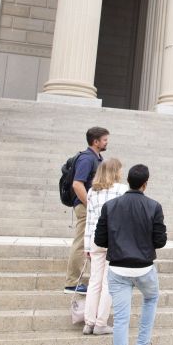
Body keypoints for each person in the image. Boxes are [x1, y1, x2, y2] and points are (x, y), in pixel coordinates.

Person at [93, 164, 167, 345]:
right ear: (145, 184)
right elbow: (160, 241)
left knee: (121, 321)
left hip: (118, 268)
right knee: (151, 298)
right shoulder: (154, 206)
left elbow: (100, 240)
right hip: (144, 268)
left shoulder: (110, 206)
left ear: (128, 181)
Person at [82, 158, 127, 336]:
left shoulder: (92, 191)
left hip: (95, 238)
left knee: (94, 281)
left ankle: (89, 322)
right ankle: (101, 322)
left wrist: (86, 245)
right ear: (115, 171)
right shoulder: (122, 190)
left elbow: (89, 220)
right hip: (115, 239)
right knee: (109, 282)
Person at [64, 126, 109, 294]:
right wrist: (90, 205)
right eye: (104, 140)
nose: (107, 142)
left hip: (90, 207)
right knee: (81, 243)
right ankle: (72, 283)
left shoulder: (97, 158)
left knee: (90, 242)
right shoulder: (87, 159)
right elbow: (77, 184)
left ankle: (92, 279)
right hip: (85, 207)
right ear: (95, 142)